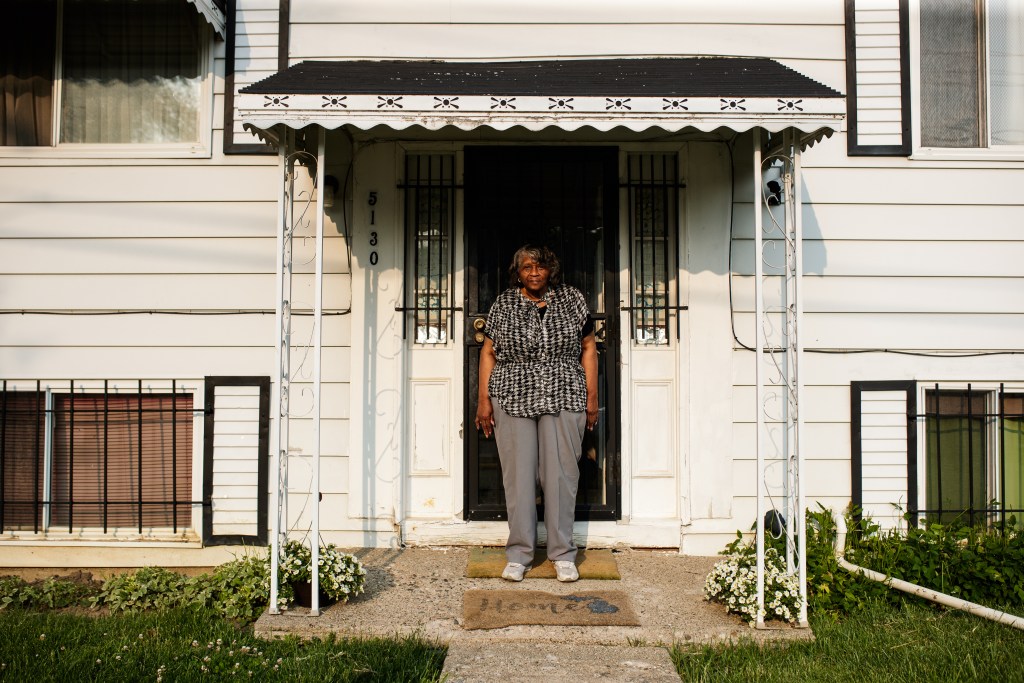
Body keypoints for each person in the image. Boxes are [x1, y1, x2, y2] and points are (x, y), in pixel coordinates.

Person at [475, 245, 599, 583]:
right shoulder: (504, 303)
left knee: (560, 475)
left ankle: (563, 554)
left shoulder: (572, 300)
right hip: (512, 392)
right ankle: (519, 554)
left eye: (540, 267)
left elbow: (588, 347)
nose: (534, 273)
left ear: (550, 270)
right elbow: (488, 352)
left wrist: (591, 398)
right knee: (519, 476)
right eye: (527, 267)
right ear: (517, 271)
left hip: (564, 390)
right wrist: (483, 400)